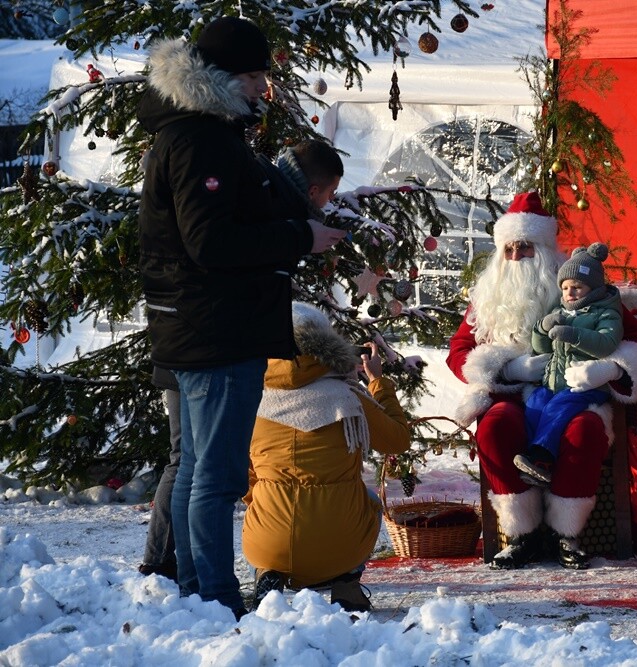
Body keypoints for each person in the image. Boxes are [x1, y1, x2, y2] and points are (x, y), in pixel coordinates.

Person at [137, 16, 346, 619]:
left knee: (199, 466)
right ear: (224, 77)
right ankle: (216, 597)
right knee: (217, 475)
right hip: (216, 329)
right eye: (255, 76)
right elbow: (211, 243)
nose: (262, 89)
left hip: (200, 323)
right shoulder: (201, 140)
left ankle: (193, 592)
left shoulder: (194, 132)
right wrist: (297, 236)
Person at [448, 192, 637, 571]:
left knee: (586, 430)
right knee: (494, 427)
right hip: (512, 396)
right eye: (508, 249)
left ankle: (568, 534)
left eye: (525, 248)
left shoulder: (578, 287)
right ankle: (520, 533)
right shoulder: (487, 298)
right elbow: (459, 349)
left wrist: (609, 369)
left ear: (544, 248)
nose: (515, 258)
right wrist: (507, 370)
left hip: (571, 392)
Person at [242, 302, 410, 612]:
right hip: (339, 544)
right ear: (325, 343)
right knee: (370, 499)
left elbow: (244, 474)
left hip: (268, 544)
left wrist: (261, 500)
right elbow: (398, 440)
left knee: (262, 503)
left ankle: (268, 574)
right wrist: (378, 382)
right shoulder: (348, 396)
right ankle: (346, 583)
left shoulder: (251, 399)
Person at [514, 242, 624, 486]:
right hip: (553, 382)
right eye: (565, 288)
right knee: (535, 403)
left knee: (559, 406)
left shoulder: (605, 313)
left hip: (584, 386)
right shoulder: (560, 310)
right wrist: (542, 328)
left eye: (577, 287)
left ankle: (543, 457)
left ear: (593, 288)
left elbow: (606, 342)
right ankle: (534, 462)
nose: (569, 293)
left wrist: (574, 336)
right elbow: (541, 348)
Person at [137, 366, 180, 582]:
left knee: (181, 459)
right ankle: (158, 559)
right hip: (195, 364)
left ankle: (158, 559)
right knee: (183, 460)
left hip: (175, 363)